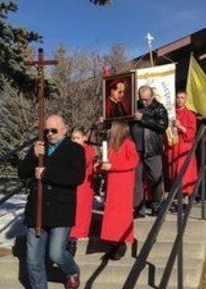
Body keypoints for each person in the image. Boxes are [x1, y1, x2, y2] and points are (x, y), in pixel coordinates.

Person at [18, 115, 85, 289]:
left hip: (60, 210)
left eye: (54, 131)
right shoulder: (39, 148)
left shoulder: (75, 150)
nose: (49, 134)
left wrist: (46, 174)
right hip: (36, 212)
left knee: (56, 254)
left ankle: (72, 270)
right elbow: (22, 173)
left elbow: (77, 178)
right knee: (33, 262)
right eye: (47, 131)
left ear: (64, 130)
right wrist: (31, 155)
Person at [98, 121, 139, 260]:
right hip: (113, 185)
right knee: (112, 215)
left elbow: (133, 161)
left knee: (120, 215)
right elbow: (107, 163)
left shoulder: (128, 143)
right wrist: (100, 166)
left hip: (123, 185)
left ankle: (120, 243)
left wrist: (113, 166)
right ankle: (113, 242)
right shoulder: (111, 146)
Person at [131, 85, 169, 217]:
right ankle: (138, 208)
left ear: (152, 96)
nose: (144, 102)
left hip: (152, 149)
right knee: (136, 180)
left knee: (155, 177)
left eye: (146, 99)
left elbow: (163, 125)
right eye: (142, 99)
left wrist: (144, 119)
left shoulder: (159, 108)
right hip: (135, 149)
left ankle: (157, 205)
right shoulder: (133, 106)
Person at [67, 126, 97, 256]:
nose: (75, 140)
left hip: (83, 186)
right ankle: (69, 238)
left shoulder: (88, 150)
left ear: (84, 138)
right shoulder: (68, 149)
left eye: (77, 138)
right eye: (73, 138)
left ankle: (72, 240)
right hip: (71, 185)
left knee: (80, 213)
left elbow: (83, 163)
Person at [165, 91, 198, 204]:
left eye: (182, 98)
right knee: (173, 171)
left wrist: (180, 126)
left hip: (184, 147)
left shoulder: (190, 114)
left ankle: (184, 197)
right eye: (178, 97)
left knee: (184, 172)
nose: (179, 100)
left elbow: (191, 133)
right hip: (173, 146)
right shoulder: (171, 113)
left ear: (186, 100)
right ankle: (176, 196)